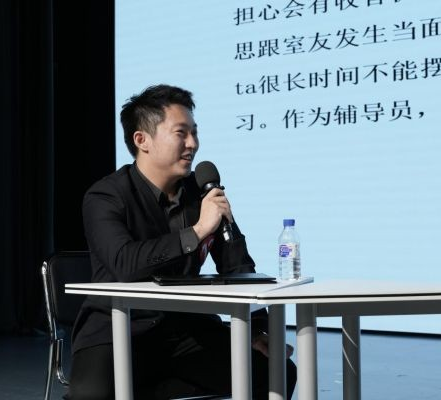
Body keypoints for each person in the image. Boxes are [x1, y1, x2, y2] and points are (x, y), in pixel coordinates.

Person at [68, 84, 296, 399]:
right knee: (92, 395)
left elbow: (238, 267)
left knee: (276, 372)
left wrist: (257, 329)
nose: (193, 144)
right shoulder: (106, 196)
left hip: (188, 330)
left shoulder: (201, 192)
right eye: (181, 133)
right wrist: (198, 230)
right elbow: (125, 264)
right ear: (142, 140)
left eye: (195, 133)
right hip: (120, 328)